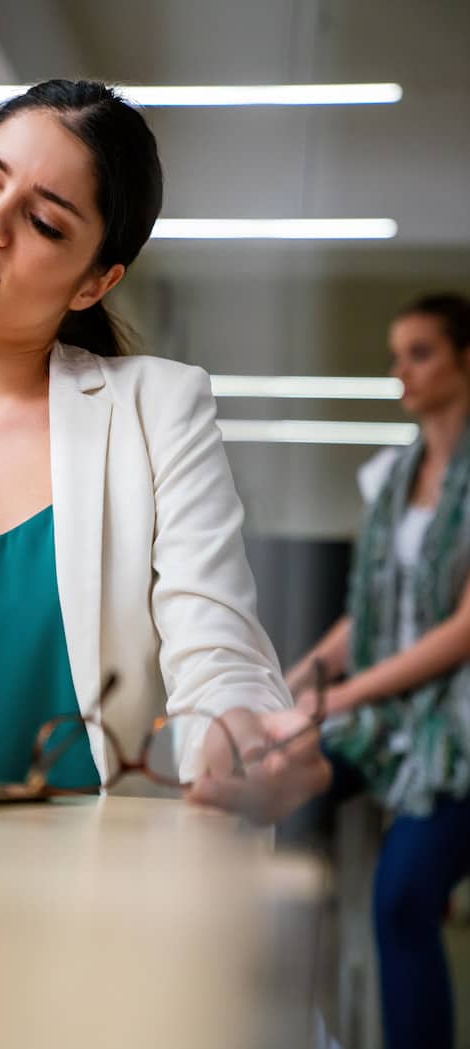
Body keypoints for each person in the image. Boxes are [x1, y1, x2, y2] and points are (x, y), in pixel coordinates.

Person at [0, 78, 328, 821]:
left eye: (44, 223)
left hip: (71, 868)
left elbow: (215, 648)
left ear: (94, 283)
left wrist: (240, 733)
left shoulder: (155, 411)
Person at [283, 293, 470, 1049]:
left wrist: (342, 696)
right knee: (274, 782)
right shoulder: (391, 476)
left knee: (402, 901)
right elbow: (369, 614)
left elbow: (462, 629)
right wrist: (295, 681)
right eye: (397, 356)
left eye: (420, 353)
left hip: (457, 731)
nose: (401, 372)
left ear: (466, 360)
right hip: (386, 715)